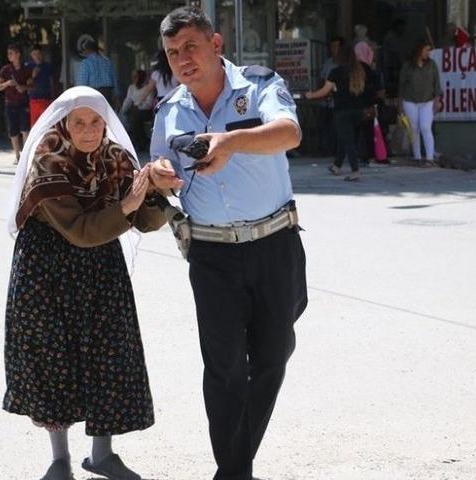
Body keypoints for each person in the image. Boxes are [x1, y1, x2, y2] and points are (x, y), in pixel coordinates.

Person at [149, 7, 307, 480]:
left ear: (216, 45)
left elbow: (290, 133)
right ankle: (234, 472)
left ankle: (233, 466)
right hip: (212, 254)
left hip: (273, 244)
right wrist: (159, 177)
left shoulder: (259, 86)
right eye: (173, 53)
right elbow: (161, 173)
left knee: (273, 358)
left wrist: (231, 143)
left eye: (191, 47)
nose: (183, 60)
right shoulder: (168, 112)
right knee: (223, 370)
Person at [4, 86, 166, 480]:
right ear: (65, 123)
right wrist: (125, 206)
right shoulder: (49, 159)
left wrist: (154, 192)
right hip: (47, 270)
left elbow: (147, 222)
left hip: (101, 268)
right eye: (81, 122)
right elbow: (78, 231)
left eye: (97, 122)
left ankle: (103, 455)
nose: (90, 130)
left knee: (107, 355)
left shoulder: (114, 159)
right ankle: (60, 460)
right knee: (52, 359)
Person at [306, 43, 379, 180]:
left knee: (348, 141)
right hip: (359, 111)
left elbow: (324, 91)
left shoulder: (336, 72)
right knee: (345, 138)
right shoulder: (362, 70)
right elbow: (373, 87)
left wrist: (311, 95)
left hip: (342, 111)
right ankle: (336, 166)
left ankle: (355, 171)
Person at [398, 41, 442, 166]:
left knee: (425, 127)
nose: (428, 53)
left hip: (427, 100)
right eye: (426, 50)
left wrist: (437, 101)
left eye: (429, 50)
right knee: (414, 129)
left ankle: (429, 158)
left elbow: (437, 84)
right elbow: (401, 85)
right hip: (410, 100)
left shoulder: (432, 65)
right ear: (419, 50)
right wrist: (400, 105)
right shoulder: (407, 66)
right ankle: (417, 157)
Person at [0, 43, 33, 164]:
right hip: (10, 103)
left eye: (11, 53)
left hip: (23, 102)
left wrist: (23, 87)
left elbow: (31, 85)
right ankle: (17, 155)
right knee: (13, 130)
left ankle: (26, 154)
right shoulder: (6, 70)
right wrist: (7, 83)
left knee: (25, 128)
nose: (9, 56)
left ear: (18, 54)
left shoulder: (26, 69)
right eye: (8, 54)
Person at [318, 36, 344, 156]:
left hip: (339, 101)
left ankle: (336, 151)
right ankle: (325, 149)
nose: (335, 49)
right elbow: (322, 79)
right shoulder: (328, 63)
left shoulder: (345, 64)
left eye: (337, 46)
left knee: (337, 127)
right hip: (326, 100)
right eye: (332, 47)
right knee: (324, 125)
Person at [76, 39, 120, 109]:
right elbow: (115, 80)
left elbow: (81, 84)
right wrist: (117, 97)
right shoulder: (107, 61)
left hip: (92, 95)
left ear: (88, 50)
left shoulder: (86, 63)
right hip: (107, 94)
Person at [120, 69, 155, 151]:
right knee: (128, 116)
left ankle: (142, 142)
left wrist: (138, 106)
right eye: (132, 77)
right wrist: (122, 111)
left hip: (146, 111)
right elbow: (128, 100)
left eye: (136, 76)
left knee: (135, 116)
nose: (133, 78)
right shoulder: (131, 88)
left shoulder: (148, 87)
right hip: (134, 111)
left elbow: (149, 103)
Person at [26, 44, 55, 127]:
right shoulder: (28, 67)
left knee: (47, 124)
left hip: (46, 99)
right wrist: (33, 75)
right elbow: (26, 84)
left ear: (42, 54)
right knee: (35, 126)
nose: (37, 56)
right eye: (34, 54)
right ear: (31, 55)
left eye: (38, 53)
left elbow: (51, 82)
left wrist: (53, 96)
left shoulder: (48, 66)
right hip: (34, 99)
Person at [382, 18, 407, 97]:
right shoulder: (391, 38)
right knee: (393, 90)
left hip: (394, 67)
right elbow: (397, 53)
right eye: (402, 27)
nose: (403, 30)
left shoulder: (396, 38)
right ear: (397, 27)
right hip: (392, 67)